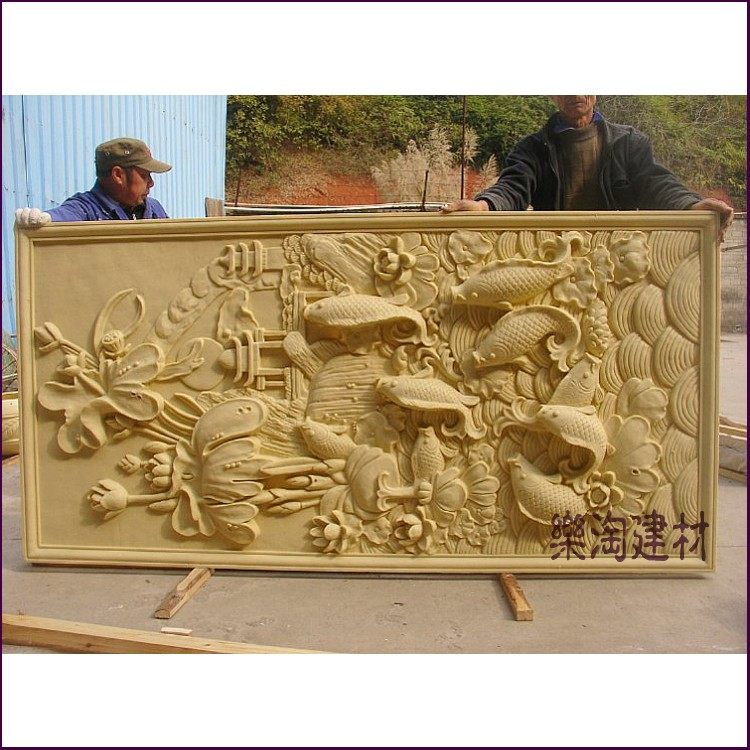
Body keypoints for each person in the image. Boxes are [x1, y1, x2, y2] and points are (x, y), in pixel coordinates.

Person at [441, 96, 733, 240]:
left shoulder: (628, 142)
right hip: (554, 253)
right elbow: (513, 188)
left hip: (616, 255)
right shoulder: (532, 148)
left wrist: (692, 205)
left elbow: (655, 184)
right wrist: (484, 205)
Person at [15, 137, 172, 227]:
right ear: (118, 175)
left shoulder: (154, 209)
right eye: (144, 175)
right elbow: (62, 216)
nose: (151, 183)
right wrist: (41, 219)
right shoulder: (85, 209)